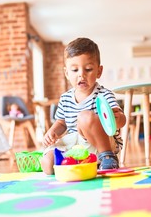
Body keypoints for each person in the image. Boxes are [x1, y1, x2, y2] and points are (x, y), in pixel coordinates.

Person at [40, 37, 126, 175]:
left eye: (88, 69)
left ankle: (107, 157)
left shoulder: (104, 95)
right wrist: (52, 132)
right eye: (75, 70)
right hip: (75, 145)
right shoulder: (65, 98)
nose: (81, 75)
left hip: (99, 143)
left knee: (84, 116)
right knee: (48, 163)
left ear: (99, 71)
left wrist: (117, 118)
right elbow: (61, 122)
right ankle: (73, 163)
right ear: (67, 73)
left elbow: (122, 121)